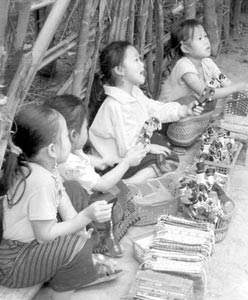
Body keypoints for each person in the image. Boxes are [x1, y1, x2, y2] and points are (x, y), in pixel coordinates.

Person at [0, 102, 121, 300]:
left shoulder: (43, 168)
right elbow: (44, 236)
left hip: (22, 248)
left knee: (73, 190)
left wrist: (78, 225)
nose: (70, 140)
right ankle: (55, 294)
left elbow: (63, 198)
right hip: (14, 262)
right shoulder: (40, 181)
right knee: (78, 247)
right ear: (52, 150)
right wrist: (84, 217)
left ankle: (63, 273)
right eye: (65, 136)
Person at [89, 40, 203, 181]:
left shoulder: (134, 92)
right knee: (168, 159)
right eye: (136, 60)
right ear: (119, 70)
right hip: (113, 164)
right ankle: (127, 184)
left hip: (127, 151)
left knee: (161, 144)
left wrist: (183, 110)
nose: (142, 64)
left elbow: (154, 109)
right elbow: (128, 149)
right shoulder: (116, 105)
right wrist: (149, 148)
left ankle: (137, 177)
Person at [44, 94, 147, 193]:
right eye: (85, 127)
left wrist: (99, 162)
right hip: (90, 200)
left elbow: (82, 159)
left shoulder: (64, 150)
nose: (87, 130)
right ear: (74, 135)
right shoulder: (70, 164)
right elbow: (103, 185)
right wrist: (127, 162)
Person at [158, 19, 248, 106]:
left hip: (188, 106)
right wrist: (234, 88)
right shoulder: (184, 66)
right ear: (185, 48)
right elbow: (206, 94)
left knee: (217, 84)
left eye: (205, 36)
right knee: (211, 92)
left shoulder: (207, 62)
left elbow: (223, 79)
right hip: (168, 113)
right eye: (200, 38)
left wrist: (240, 88)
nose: (206, 41)